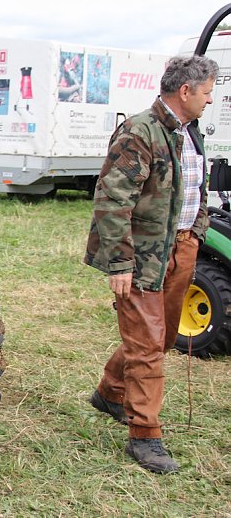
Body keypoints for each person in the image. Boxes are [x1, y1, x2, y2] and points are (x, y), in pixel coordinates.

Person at [84, 55, 218, 474]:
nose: (210, 100)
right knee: (147, 347)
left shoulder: (189, 132)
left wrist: (196, 232)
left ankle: (110, 392)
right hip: (143, 256)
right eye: (207, 92)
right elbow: (112, 199)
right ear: (185, 91)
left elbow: (196, 188)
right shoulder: (139, 131)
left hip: (182, 249)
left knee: (161, 338)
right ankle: (145, 435)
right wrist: (121, 263)